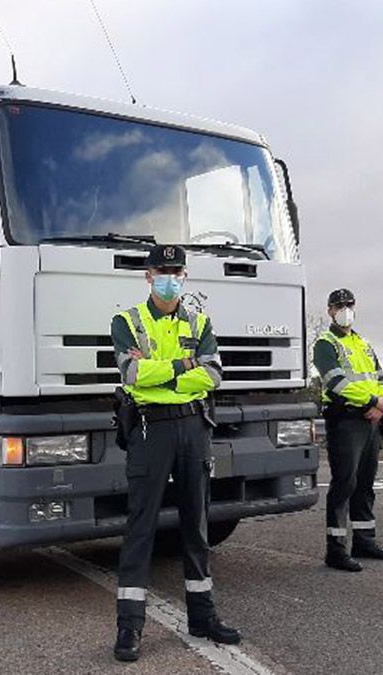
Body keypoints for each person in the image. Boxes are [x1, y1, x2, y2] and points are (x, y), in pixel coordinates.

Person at [110, 243, 240, 662]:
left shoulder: (200, 322)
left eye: (177, 271)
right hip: (150, 429)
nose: (170, 277)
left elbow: (214, 375)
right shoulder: (127, 321)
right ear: (148, 276)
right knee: (141, 527)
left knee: (196, 525)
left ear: (184, 276)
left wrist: (163, 374)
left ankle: (203, 616)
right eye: (162, 271)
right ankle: (130, 627)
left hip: (194, 426)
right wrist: (186, 367)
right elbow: (131, 374)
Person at [313, 288, 383, 572]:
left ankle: (365, 540)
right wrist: (372, 402)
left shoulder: (362, 342)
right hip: (346, 421)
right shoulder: (325, 343)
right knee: (344, 484)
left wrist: (382, 405)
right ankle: (336, 550)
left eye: (349, 304)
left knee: (365, 484)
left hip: (371, 421)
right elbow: (336, 383)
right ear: (329, 310)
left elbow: (381, 377)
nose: (345, 309)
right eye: (339, 305)